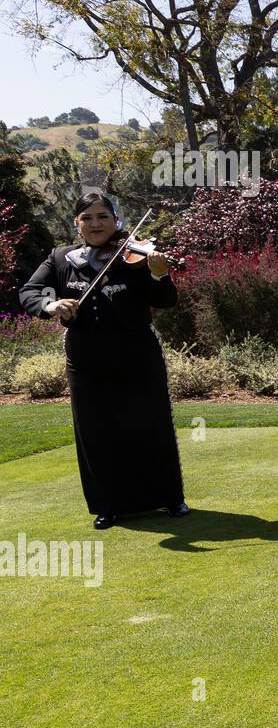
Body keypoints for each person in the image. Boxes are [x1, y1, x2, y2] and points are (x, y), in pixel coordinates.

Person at [19, 193, 188, 529]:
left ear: (116, 221)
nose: (96, 224)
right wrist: (50, 306)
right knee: (96, 434)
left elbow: (166, 300)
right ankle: (108, 505)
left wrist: (158, 274)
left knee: (151, 426)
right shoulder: (60, 258)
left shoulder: (135, 255)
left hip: (137, 357)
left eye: (103, 217)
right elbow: (29, 291)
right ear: (76, 223)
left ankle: (170, 498)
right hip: (86, 362)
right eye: (87, 218)